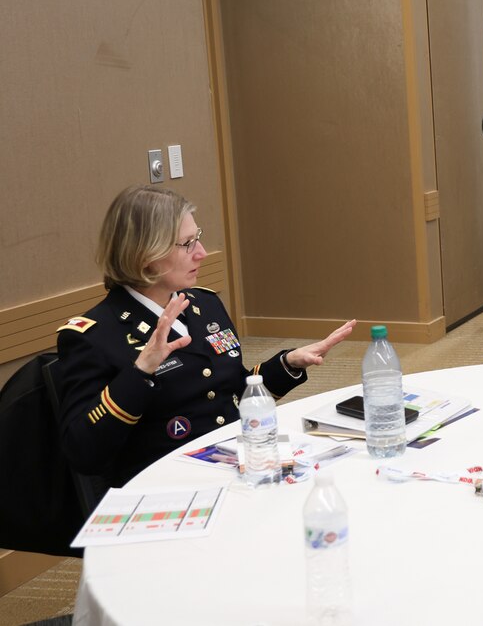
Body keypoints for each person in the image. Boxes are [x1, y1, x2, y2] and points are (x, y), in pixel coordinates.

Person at [56, 186, 356, 486]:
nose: (201, 252)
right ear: (145, 255)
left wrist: (288, 363)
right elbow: (83, 453)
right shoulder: (94, 334)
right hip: (168, 485)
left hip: (238, 465)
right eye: (187, 244)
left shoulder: (204, 304)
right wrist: (140, 372)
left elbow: (233, 394)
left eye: (196, 238)